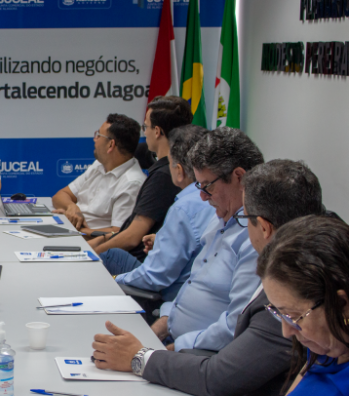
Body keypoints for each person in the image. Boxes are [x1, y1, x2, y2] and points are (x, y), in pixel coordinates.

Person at [92, 160, 324, 396]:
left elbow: (219, 377)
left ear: (264, 227)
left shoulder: (292, 295)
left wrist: (140, 357)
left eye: (244, 219)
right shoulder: (309, 260)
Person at [197, 216, 349, 396]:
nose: (286, 331)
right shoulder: (327, 350)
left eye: (294, 316)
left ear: (342, 304)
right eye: (279, 314)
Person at [104, 128, 265, 353]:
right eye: (199, 186)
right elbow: (193, 284)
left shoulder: (256, 239)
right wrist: (161, 327)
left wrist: (164, 352)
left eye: (207, 186)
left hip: (196, 354)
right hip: (172, 334)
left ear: (238, 177)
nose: (202, 196)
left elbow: (234, 327)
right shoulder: (220, 219)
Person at [113, 125, 215, 300]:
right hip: (201, 293)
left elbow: (154, 277)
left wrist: (114, 279)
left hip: (170, 299)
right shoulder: (217, 199)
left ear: (179, 171)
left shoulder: (184, 208)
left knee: (110, 258)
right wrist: (164, 241)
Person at [93, 96, 191, 266]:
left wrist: (92, 254)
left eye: (145, 127)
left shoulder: (163, 176)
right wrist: (100, 240)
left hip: (138, 263)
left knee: (106, 256)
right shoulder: (173, 168)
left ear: (157, 131)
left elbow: (132, 237)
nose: (144, 133)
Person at [51, 114, 146, 234]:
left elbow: (117, 233)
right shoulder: (99, 165)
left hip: (85, 240)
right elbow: (61, 195)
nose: (94, 139)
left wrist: (74, 228)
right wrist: (72, 208)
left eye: (99, 135)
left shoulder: (132, 183)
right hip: (71, 231)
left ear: (111, 144)